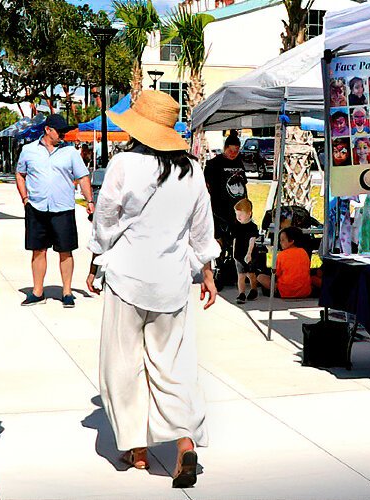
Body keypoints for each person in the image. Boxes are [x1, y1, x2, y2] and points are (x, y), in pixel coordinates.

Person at [84, 89, 218, 489]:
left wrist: (95, 261)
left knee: (122, 364)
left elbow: (105, 220)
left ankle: (136, 448)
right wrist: (207, 274)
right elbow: (201, 231)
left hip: (127, 278)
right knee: (174, 368)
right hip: (172, 283)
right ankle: (185, 444)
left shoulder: (123, 163)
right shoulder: (193, 170)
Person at [16, 115, 94, 308]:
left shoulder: (70, 153)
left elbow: (83, 177)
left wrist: (90, 201)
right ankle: (37, 292)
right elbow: (20, 173)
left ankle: (67, 292)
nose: (63, 135)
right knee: (38, 250)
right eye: (60, 131)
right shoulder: (28, 150)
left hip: (63, 208)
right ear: (48, 130)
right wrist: (25, 198)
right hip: (37, 207)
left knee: (65, 251)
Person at [254, 226, 318, 299]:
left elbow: (276, 273)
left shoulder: (281, 255)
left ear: (291, 241)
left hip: (285, 291)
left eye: (282, 240)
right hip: (305, 292)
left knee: (260, 277)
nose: (280, 242)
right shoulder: (304, 252)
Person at [205, 135, 245, 246]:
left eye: (236, 151)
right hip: (220, 208)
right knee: (220, 239)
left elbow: (243, 183)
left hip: (238, 207)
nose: (233, 154)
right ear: (225, 148)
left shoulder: (239, 162)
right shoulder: (214, 163)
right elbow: (207, 186)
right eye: (230, 150)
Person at [230, 199, 265, 303]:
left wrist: (249, 253)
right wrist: (234, 253)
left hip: (249, 254)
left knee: (250, 274)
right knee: (240, 275)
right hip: (238, 254)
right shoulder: (236, 226)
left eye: (241, 214)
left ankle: (254, 289)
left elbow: (252, 240)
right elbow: (235, 239)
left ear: (249, 214)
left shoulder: (252, 227)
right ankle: (241, 294)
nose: (238, 217)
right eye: (237, 214)